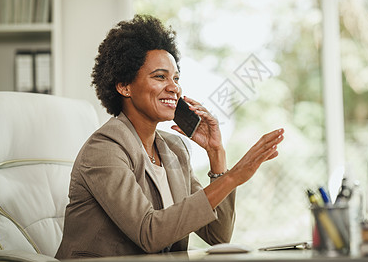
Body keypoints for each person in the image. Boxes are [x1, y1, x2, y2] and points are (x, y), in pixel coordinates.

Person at [55, 15, 284, 259]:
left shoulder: (174, 149)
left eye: (175, 78)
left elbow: (218, 236)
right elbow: (148, 233)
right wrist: (233, 178)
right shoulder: (104, 149)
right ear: (124, 86)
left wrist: (216, 153)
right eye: (160, 76)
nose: (174, 87)